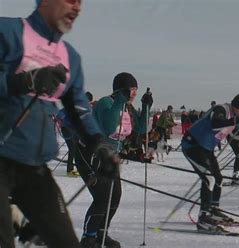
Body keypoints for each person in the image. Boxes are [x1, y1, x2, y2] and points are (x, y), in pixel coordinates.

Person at [0, 1, 120, 247]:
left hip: (33, 168)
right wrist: (22, 82)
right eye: (70, 0)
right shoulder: (8, 32)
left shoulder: (69, 57)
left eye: (79, 2)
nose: (77, 8)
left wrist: (100, 144)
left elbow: (79, 109)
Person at [75, 72, 152, 248]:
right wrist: (119, 101)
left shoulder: (128, 107)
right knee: (102, 196)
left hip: (110, 156)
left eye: (135, 90)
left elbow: (140, 128)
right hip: (89, 152)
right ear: (121, 90)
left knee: (114, 196)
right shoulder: (105, 103)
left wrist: (146, 107)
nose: (134, 94)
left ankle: (102, 233)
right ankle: (88, 238)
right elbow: (109, 125)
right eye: (131, 90)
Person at [181, 93, 239, 231]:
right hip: (193, 146)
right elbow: (215, 123)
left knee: (218, 178)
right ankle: (204, 216)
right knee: (209, 178)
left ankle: (213, 209)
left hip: (206, 148)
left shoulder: (233, 116)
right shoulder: (222, 109)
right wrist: (236, 121)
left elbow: (236, 135)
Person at [56, 108, 80, 177]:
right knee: (72, 149)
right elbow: (59, 114)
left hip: (75, 129)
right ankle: (70, 170)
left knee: (77, 149)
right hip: (67, 129)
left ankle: (77, 168)